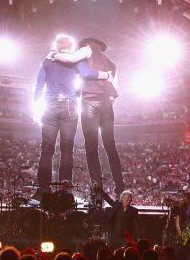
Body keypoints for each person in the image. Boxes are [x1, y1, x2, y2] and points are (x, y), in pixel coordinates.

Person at [33, 34, 110, 200]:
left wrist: (35, 106)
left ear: (57, 45)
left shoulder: (48, 60)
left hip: (50, 105)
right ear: (71, 46)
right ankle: (64, 190)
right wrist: (106, 75)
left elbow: (39, 84)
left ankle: (42, 190)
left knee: (47, 148)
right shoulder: (76, 60)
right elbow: (87, 73)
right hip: (69, 106)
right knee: (67, 148)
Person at [52, 37, 125, 196]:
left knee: (91, 148)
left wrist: (54, 55)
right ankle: (120, 187)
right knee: (110, 146)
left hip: (90, 101)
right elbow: (114, 91)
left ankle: (97, 189)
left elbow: (71, 59)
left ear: (89, 44)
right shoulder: (111, 64)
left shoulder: (87, 50)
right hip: (106, 103)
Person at [95, 184, 139, 250]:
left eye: (130, 198)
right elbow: (108, 199)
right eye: (128, 197)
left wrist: (137, 238)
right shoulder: (117, 206)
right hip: (114, 237)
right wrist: (99, 189)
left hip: (124, 238)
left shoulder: (133, 210)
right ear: (123, 198)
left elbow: (136, 225)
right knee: (109, 253)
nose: (130, 199)